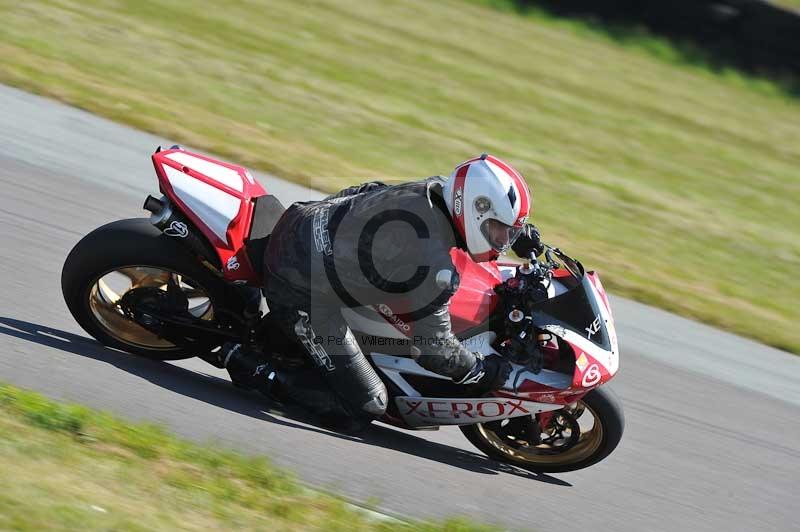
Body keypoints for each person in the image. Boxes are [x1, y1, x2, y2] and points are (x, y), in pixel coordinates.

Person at [222, 153, 543, 429]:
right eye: (500, 230)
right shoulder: (433, 266)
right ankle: (254, 368)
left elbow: (367, 190)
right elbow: (434, 349)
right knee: (366, 405)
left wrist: (518, 234)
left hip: (306, 219)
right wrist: (481, 370)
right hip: (299, 289)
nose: (502, 241)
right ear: (476, 211)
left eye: (508, 233)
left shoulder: (432, 190)